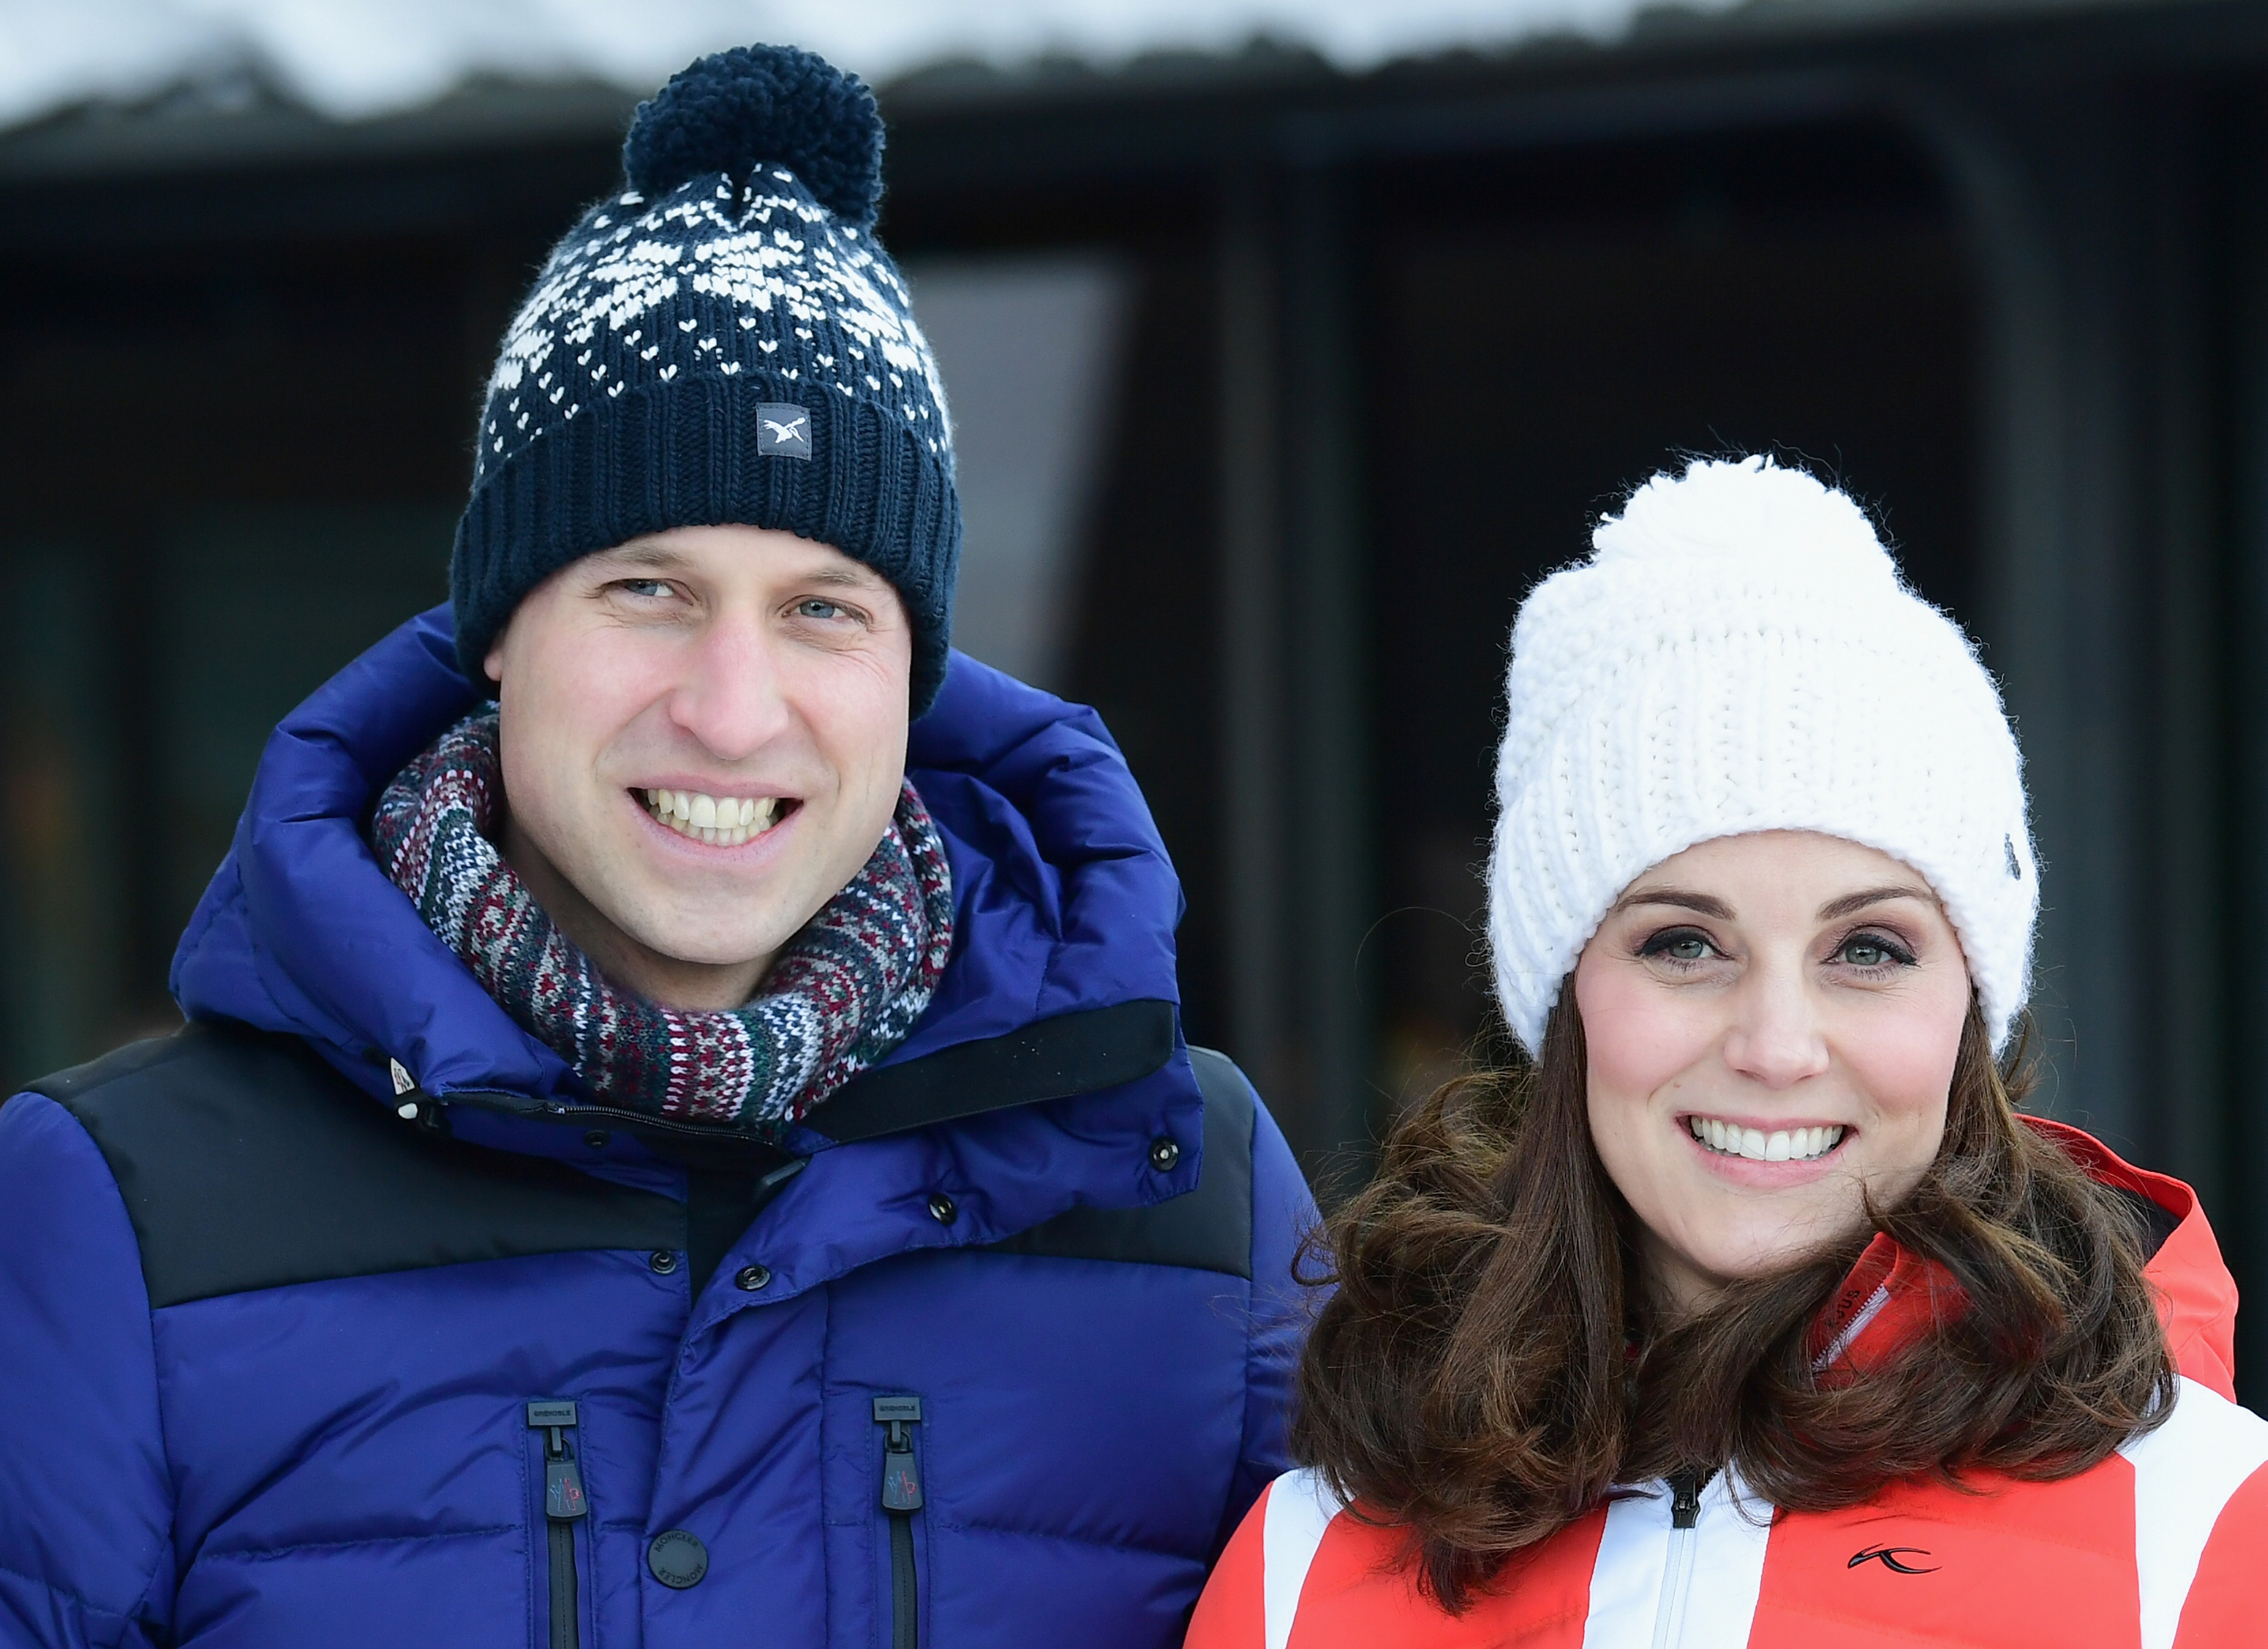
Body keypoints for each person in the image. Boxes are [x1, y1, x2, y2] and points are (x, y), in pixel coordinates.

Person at [0, 44, 1313, 1649]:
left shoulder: (1191, 1188)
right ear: (498, 633)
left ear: (914, 673)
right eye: (649, 589)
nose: (732, 709)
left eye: (823, 608)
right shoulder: (121, 1218)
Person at [1190, 456, 2268, 1648]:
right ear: (1568, 996)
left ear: (1971, 1006)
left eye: (1868, 949)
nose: (1776, 1046)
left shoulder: (2207, 1535)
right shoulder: (1304, 1567)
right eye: (1686, 943)